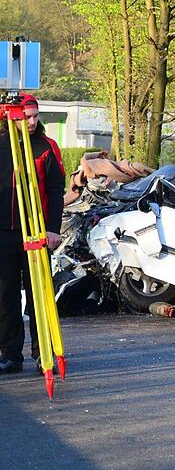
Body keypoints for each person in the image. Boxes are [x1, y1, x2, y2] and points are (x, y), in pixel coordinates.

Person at [0, 94, 63, 374]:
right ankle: (11, 355)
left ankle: (44, 354)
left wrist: (53, 230)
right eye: (27, 117)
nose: (33, 122)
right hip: (4, 232)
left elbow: (55, 191)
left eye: (36, 116)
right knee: (5, 296)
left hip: (36, 231)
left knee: (40, 296)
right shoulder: (1, 146)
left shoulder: (47, 147)